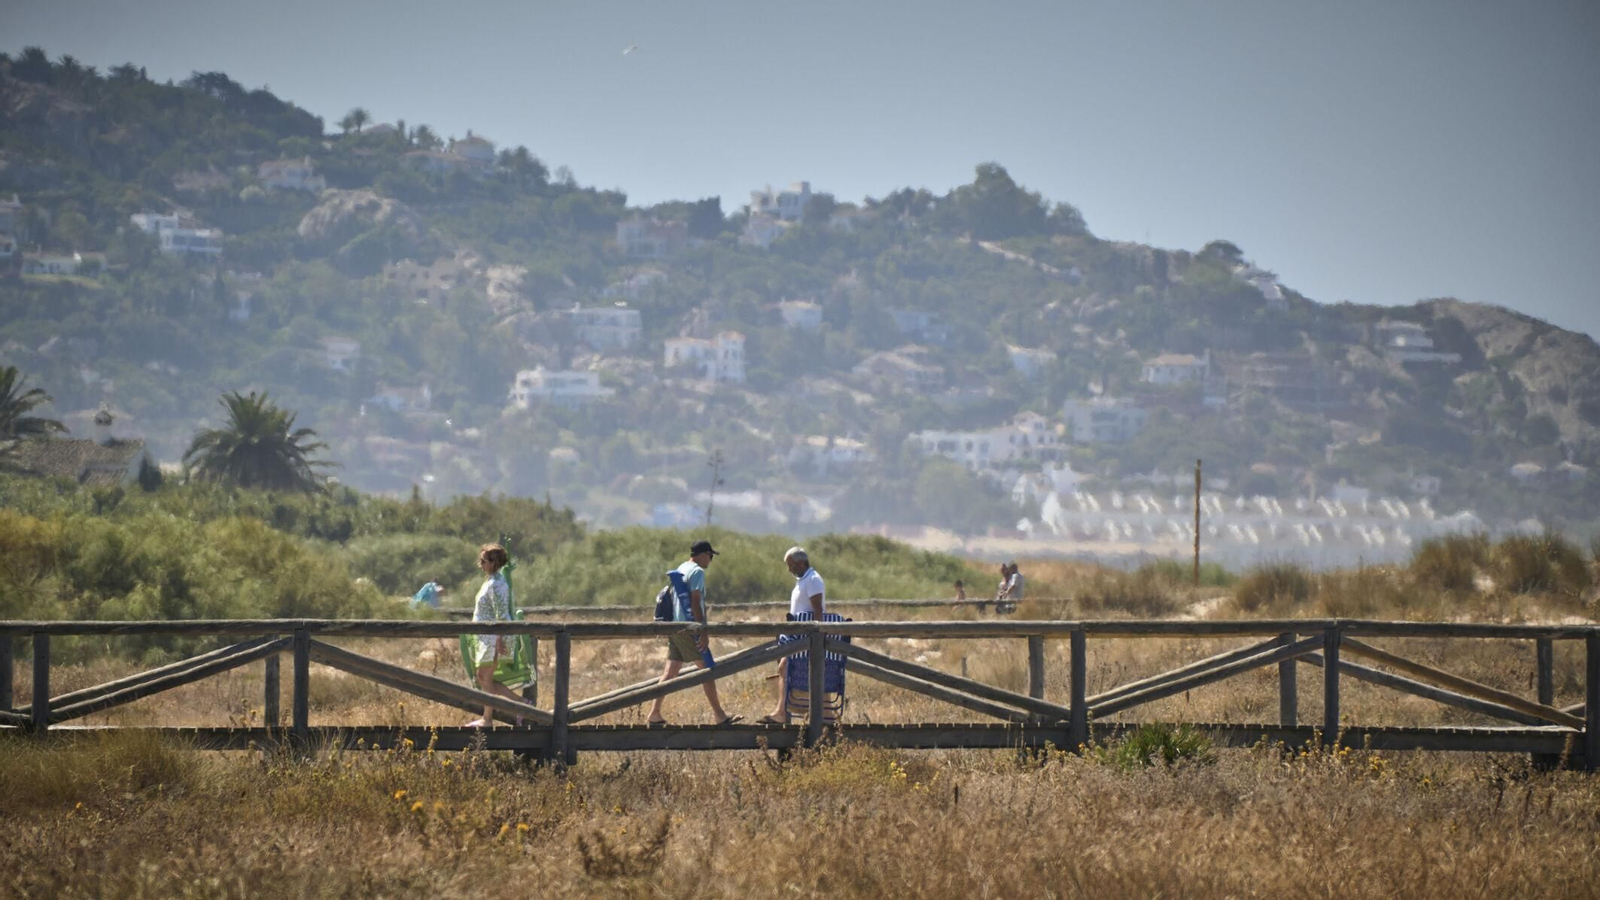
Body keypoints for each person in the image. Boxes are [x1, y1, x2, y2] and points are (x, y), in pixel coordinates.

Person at [647, 540, 740, 726]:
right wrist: (702, 630)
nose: (710, 561)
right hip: (689, 628)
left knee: (670, 672)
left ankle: (654, 714)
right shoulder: (697, 571)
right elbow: (695, 601)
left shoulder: (682, 567)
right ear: (703, 555)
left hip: (674, 626)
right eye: (710, 556)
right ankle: (719, 715)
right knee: (706, 669)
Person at [760, 547, 824, 724]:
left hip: (806, 636)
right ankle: (784, 711)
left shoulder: (813, 580)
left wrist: (817, 637)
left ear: (800, 563)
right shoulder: (803, 580)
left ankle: (782, 712)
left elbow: (818, 609)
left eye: (791, 565)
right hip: (797, 635)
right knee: (785, 668)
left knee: (785, 667)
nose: (789, 569)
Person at [464, 545, 525, 727]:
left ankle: (490, 718)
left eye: (483, 561)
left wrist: (500, 638)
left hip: (492, 638)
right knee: (484, 678)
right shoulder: (492, 581)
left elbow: (501, 613)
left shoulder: (497, 584)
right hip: (485, 638)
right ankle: (521, 705)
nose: (480, 564)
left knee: (484, 677)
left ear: (493, 563)